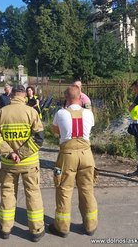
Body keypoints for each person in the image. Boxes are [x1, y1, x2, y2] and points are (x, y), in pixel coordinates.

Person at [0, 85, 45, 242]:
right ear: (24, 96)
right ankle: (36, 230)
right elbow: (39, 138)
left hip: (9, 163)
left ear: (12, 95)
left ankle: (5, 228)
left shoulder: (2, 112)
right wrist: (21, 154)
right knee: (33, 193)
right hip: (29, 163)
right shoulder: (31, 112)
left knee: (7, 193)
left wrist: (10, 153)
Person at [48, 84, 98, 238]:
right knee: (87, 189)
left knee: (64, 190)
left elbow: (55, 130)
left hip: (68, 155)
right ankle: (90, 225)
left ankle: (62, 227)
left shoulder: (61, 113)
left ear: (66, 98)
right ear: (80, 97)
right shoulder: (89, 113)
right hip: (86, 154)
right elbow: (90, 128)